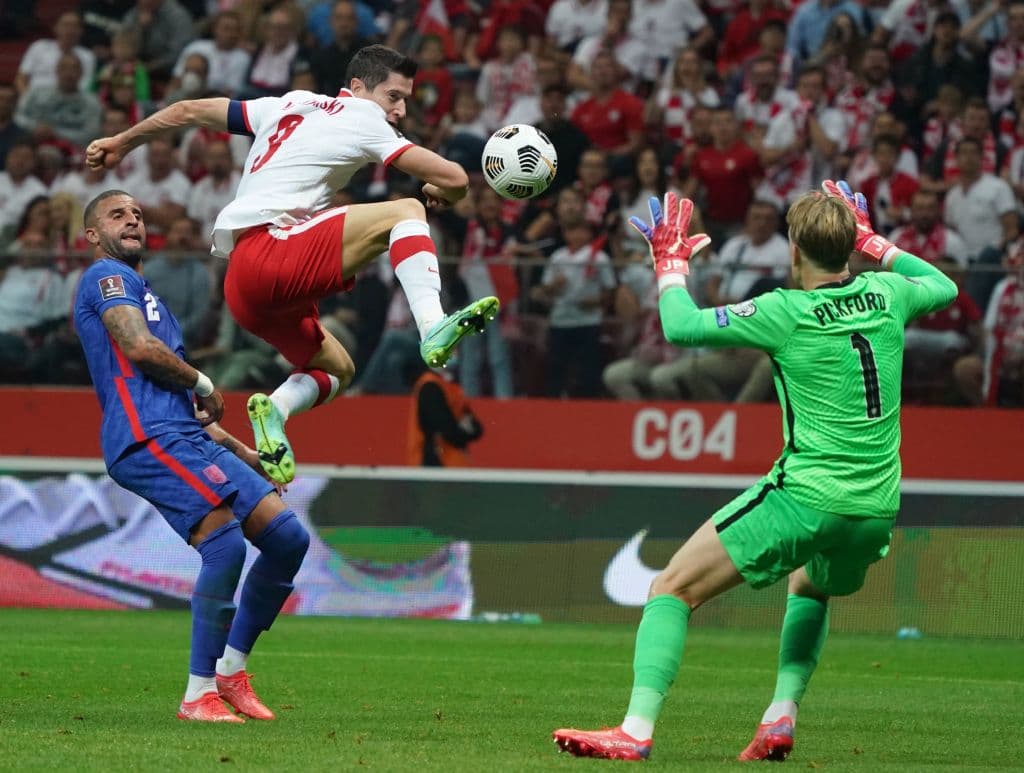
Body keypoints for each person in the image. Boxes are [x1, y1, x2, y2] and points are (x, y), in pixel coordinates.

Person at [552, 181, 957, 761]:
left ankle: (635, 729)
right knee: (810, 584)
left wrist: (669, 265)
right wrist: (875, 244)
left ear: (794, 252)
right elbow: (943, 285)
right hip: (874, 510)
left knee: (671, 588)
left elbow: (681, 327)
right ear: (850, 245)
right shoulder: (889, 293)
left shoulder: (783, 311)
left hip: (806, 496)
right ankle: (780, 715)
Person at [85, 44, 499, 486]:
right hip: (274, 255)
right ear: (357, 88)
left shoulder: (287, 103)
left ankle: (275, 411)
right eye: (393, 97)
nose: (398, 111)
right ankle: (432, 323)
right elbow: (456, 178)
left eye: (405, 101)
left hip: (244, 289)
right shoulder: (363, 117)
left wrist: (122, 141)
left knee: (338, 369)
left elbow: (188, 109)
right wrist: (443, 190)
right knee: (408, 211)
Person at [73, 189, 311, 723]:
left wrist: (241, 451)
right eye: (117, 215)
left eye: (137, 213)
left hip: (184, 433)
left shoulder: (143, 288)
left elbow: (184, 404)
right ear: (92, 236)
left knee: (287, 538)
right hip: (146, 436)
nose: (132, 219)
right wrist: (205, 381)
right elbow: (137, 348)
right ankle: (197, 695)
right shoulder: (105, 278)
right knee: (224, 545)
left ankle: (230, 669)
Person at [407, 365, 483, 466]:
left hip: (452, 462)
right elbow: (447, 429)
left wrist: (464, 430)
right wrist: (464, 431)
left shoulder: (450, 385)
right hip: (433, 462)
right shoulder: (429, 387)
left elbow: (475, 426)